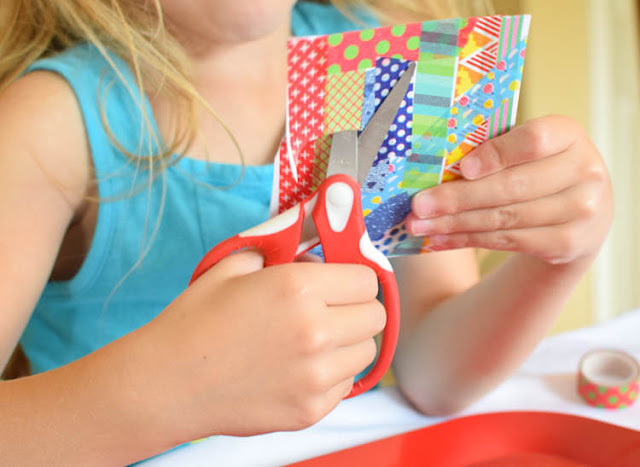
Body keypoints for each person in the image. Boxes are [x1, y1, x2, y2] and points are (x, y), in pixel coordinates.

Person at [0, 0, 612, 464]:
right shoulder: (53, 124)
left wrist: (555, 259)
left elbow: (435, 375)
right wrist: (175, 389)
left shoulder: (381, 65)